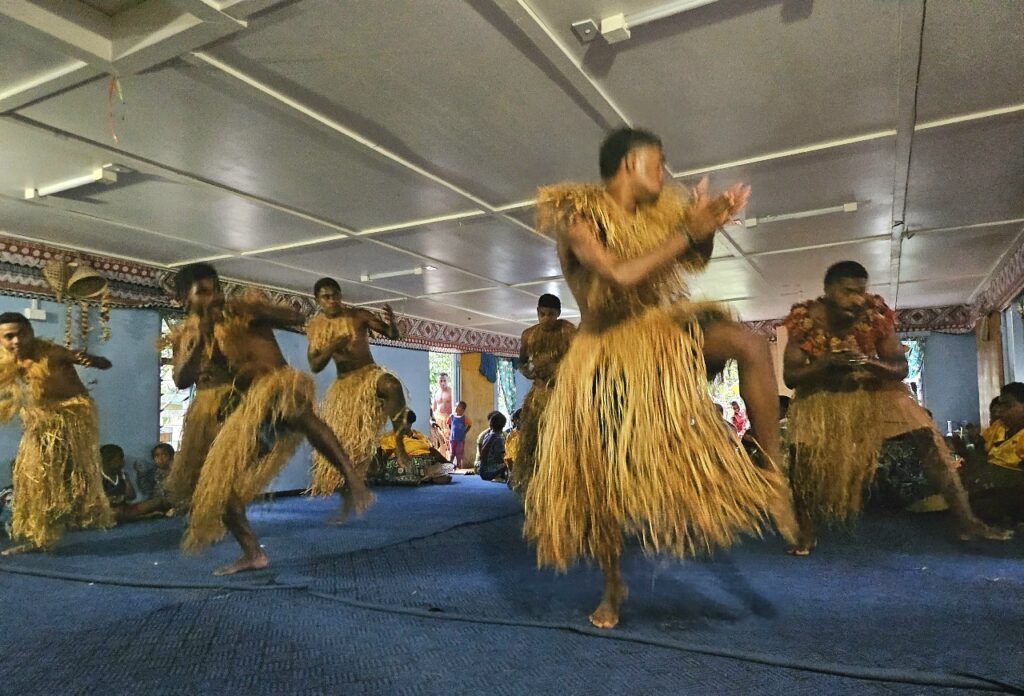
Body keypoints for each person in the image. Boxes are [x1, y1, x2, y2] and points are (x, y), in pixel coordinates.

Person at [525, 127, 797, 629]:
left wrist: (708, 226)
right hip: (603, 355)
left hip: (658, 333)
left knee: (750, 344)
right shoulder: (576, 214)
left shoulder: (659, 216)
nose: (665, 172)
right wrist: (687, 231)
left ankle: (773, 476)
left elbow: (696, 258)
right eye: (659, 161)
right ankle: (613, 584)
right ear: (630, 162)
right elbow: (619, 274)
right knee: (602, 481)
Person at [782, 261, 1010, 555]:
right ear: (828, 292)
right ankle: (807, 535)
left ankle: (967, 521)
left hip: (875, 390)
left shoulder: (875, 314)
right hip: (821, 397)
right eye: (848, 291)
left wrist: (866, 361)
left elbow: (900, 367)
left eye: (860, 291)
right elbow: (791, 377)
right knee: (804, 460)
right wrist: (827, 363)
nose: (857, 299)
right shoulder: (803, 320)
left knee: (926, 440)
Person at [170, 263, 372, 575]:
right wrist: (198, 341)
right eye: (204, 292)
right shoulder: (184, 336)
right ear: (185, 297)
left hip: (261, 399)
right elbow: (182, 380)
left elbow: (295, 317)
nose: (214, 297)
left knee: (291, 401)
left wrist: (257, 308)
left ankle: (351, 476)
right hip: (222, 416)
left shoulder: (240, 313)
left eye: (216, 289)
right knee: (218, 487)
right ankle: (252, 553)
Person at [0, 312, 114, 554]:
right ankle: (40, 536)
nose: (17, 341)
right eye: (9, 336)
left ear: (31, 332)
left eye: (22, 333)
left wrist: (91, 360)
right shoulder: (7, 364)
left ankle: (86, 513)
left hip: (73, 416)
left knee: (75, 479)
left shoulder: (53, 353)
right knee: (34, 479)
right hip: (40, 422)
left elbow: (105, 363)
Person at [306, 278, 411, 508]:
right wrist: (333, 346)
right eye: (326, 296)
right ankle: (352, 478)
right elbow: (314, 365)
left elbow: (392, 335)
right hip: (345, 385)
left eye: (335, 295)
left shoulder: (359, 316)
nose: (332, 300)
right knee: (351, 441)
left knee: (392, 386)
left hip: (370, 374)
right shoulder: (316, 328)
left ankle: (400, 443)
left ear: (341, 295)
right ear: (318, 300)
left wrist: (392, 323)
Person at [511, 294, 576, 493]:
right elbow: (521, 361)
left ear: (558, 314)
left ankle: (563, 480)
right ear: (537, 312)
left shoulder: (569, 332)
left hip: (561, 394)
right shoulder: (528, 335)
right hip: (538, 394)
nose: (546, 318)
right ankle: (529, 478)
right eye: (543, 314)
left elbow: (579, 359)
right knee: (531, 438)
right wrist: (530, 371)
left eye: (551, 314)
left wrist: (560, 370)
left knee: (562, 438)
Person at [371, 410, 452, 485]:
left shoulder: (419, 436)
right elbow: (383, 455)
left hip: (426, 462)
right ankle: (430, 476)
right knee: (406, 466)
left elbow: (432, 451)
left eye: (406, 423)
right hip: (405, 464)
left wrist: (446, 462)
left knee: (446, 466)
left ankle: (429, 475)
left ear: (410, 423)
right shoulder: (390, 437)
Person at [100, 444, 138, 520]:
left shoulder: (123, 476)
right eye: (120, 459)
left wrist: (126, 481)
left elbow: (132, 496)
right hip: (107, 512)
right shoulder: (98, 478)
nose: (123, 462)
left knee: (153, 503)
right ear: (108, 461)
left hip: (124, 509)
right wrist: (111, 499)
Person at [477, 412, 508, 482]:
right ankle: (499, 476)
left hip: (482, 470)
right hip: (488, 472)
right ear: (503, 426)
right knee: (509, 463)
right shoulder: (498, 439)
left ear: (490, 424)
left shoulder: (486, 436)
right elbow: (499, 457)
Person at [431, 372, 453, 457]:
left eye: (444, 380)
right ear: (438, 381)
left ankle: (449, 458)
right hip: (438, 418)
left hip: (447, 419)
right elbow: (434, 407)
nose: (443, 383)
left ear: (447, 381)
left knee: (448, 440)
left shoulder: (451, 391)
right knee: (439, 440)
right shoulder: (436, 392)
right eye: (441, 381)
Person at [447, 401, 472, 469]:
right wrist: (451, 431)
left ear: (463, 409)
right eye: (456, 406)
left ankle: (458, 465)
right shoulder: (452, 417)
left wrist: (465, 432)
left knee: (459, 454)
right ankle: (450, 465)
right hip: (452, 439)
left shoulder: (464, 418)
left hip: (460, 440)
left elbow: (469, 425)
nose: (456, 408)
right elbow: (449, 424)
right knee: (452, 453)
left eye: (458, 406)